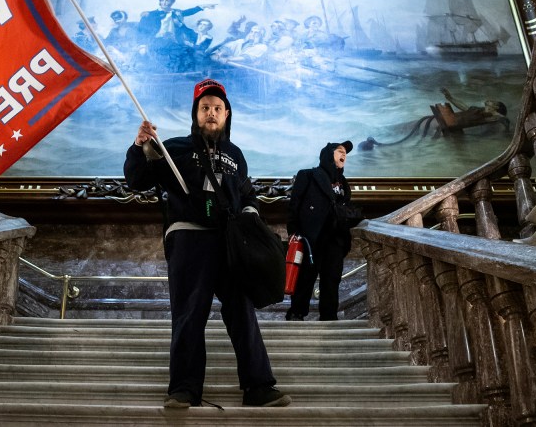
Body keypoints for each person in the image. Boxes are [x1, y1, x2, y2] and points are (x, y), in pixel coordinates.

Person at [124, 79, 291, 409]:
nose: (211, 113)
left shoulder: (235, 155)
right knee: (189, 314)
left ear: (226, 115)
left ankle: (258, 387)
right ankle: (184, 389)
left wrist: (249, 216)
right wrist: (140, 146)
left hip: (229, 243)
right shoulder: (173, 149)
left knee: (242, 313)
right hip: (189, 239)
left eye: (217, 108)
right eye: (205, 108)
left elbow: (246, 194)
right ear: (195, 114)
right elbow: (137, 179)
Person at [285, 141, 362, 321]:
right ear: (328, 154)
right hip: (311, 237)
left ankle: (329, 317)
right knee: (305, 277)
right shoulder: (308, 175)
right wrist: (294, 231)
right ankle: (296, 313)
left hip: (335, 238)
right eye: (340, 151)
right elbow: (294, 205)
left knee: (332, 279)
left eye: (346, 154)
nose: (344, 155)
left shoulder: (343, 183)